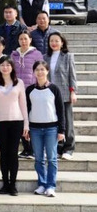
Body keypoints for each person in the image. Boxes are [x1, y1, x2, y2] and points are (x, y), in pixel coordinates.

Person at [0, 56, 29, 196]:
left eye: (8, 65)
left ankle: (13, 184)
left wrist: (26, 124)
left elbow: (23, 105)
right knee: (4, 154)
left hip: (16, 121)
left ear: (12, 67)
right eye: (2, 65)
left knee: (13, 154)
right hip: (0, 122)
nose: (5, 68)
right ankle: (5, 183)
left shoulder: (19, 83)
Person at [27, 60, 65, 197]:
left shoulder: (54, 89)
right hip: (35, 129)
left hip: (51, 128)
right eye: (37, 69)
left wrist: (62, 130)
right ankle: (42, 184)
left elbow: (60, 110)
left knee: (52, 158)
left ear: (47, 71)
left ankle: (51, 186)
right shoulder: (29, 90)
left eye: (42, 69)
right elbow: (27, 110)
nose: (40, 72)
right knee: (38, 159)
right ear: (34, 72)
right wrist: (26, 128)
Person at [45, 31, 77, 160]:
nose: (54, 43)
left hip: (64, 93)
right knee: (55, 121)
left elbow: (72, 76)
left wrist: (73, 91)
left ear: (62, 42)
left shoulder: (68, 56)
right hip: (50, 94)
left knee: (67, 122)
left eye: (57, 41)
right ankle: (58, 147)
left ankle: (69, 148)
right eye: (51, 41)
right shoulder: (45, 57)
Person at [11, 31, 43, 159]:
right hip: (17, 92)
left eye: (25, 39)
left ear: (30, 39)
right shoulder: (13, 54)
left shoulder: (37, 54)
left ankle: (35, 148)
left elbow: (41, 71)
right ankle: (26, 148)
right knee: (21, 120)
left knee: (32, 119)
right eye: (21, 39)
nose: (23, 41)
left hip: (32, 90)